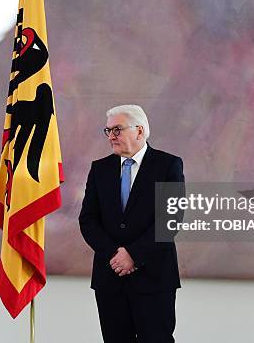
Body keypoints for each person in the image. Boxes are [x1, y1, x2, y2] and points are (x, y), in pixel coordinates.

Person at [79, 104, 184, 343]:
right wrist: (116, 256)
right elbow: (88, 220)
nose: (111, 136)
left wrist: (134, 255)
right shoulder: (100, 169)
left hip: (154, 278)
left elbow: (171, 219)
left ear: (139, 131)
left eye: (117, 129)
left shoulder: (168, 165)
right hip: (110, 277)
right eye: (108, 131)